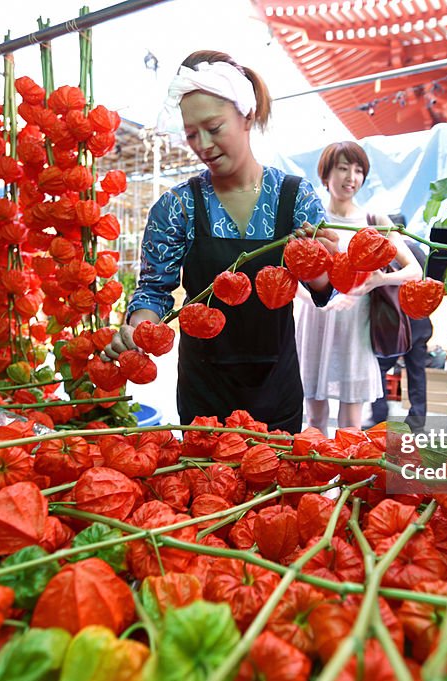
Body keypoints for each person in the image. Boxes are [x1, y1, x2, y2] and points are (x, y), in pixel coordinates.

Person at [104, 50, 337, 433]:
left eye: (214, 127)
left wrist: (322, 263)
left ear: (247, 115)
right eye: (192, 133)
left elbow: (322, 289)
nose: (203, 144)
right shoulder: (178, 206)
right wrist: (138, 329)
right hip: (204, 391)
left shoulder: (296, 198)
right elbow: (154, 291)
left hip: (275, 386)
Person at [296, 142, 420, 433]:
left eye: (358, 170)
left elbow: (413, 270)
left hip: (355, 324)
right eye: (343, 168)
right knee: (314, 419)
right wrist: (315, 300)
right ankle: (319, 474)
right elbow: (293, 277)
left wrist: (378, 280)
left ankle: (347, 477)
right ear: (326, 175)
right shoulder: (311, 220)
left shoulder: (373, 221)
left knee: (351, 423)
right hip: (315, 321)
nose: (351, 177)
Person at [369, 232, 433, 431]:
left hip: (395, 326)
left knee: (378, 367)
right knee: (417, 373)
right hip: (419, 323)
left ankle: (379, 416)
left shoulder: (388, 254)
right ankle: (417, 419)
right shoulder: (418, 252)